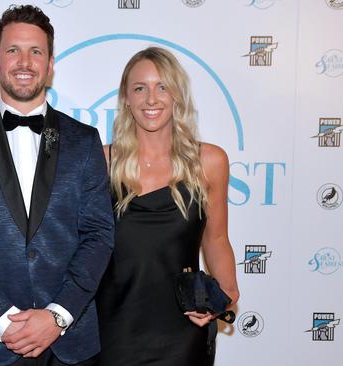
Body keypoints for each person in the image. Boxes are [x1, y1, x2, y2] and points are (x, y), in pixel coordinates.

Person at [0, 5, 114, 366]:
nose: (24, 61)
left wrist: (58, 315)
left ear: (50, 65)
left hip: (70, 343)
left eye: (36, 51)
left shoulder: (84, 141)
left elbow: (99, 234)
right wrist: (2, 320)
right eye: (13, 50)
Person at [96, 47, 240, 366]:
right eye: (140, 88)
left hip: (183, 330)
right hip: (112, 329)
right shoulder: (101, 162)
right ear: (126, 99)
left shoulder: (210, 162)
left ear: (178, 95)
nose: (151, 99)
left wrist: (226, 293)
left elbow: (215, 240)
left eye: (163, 87)